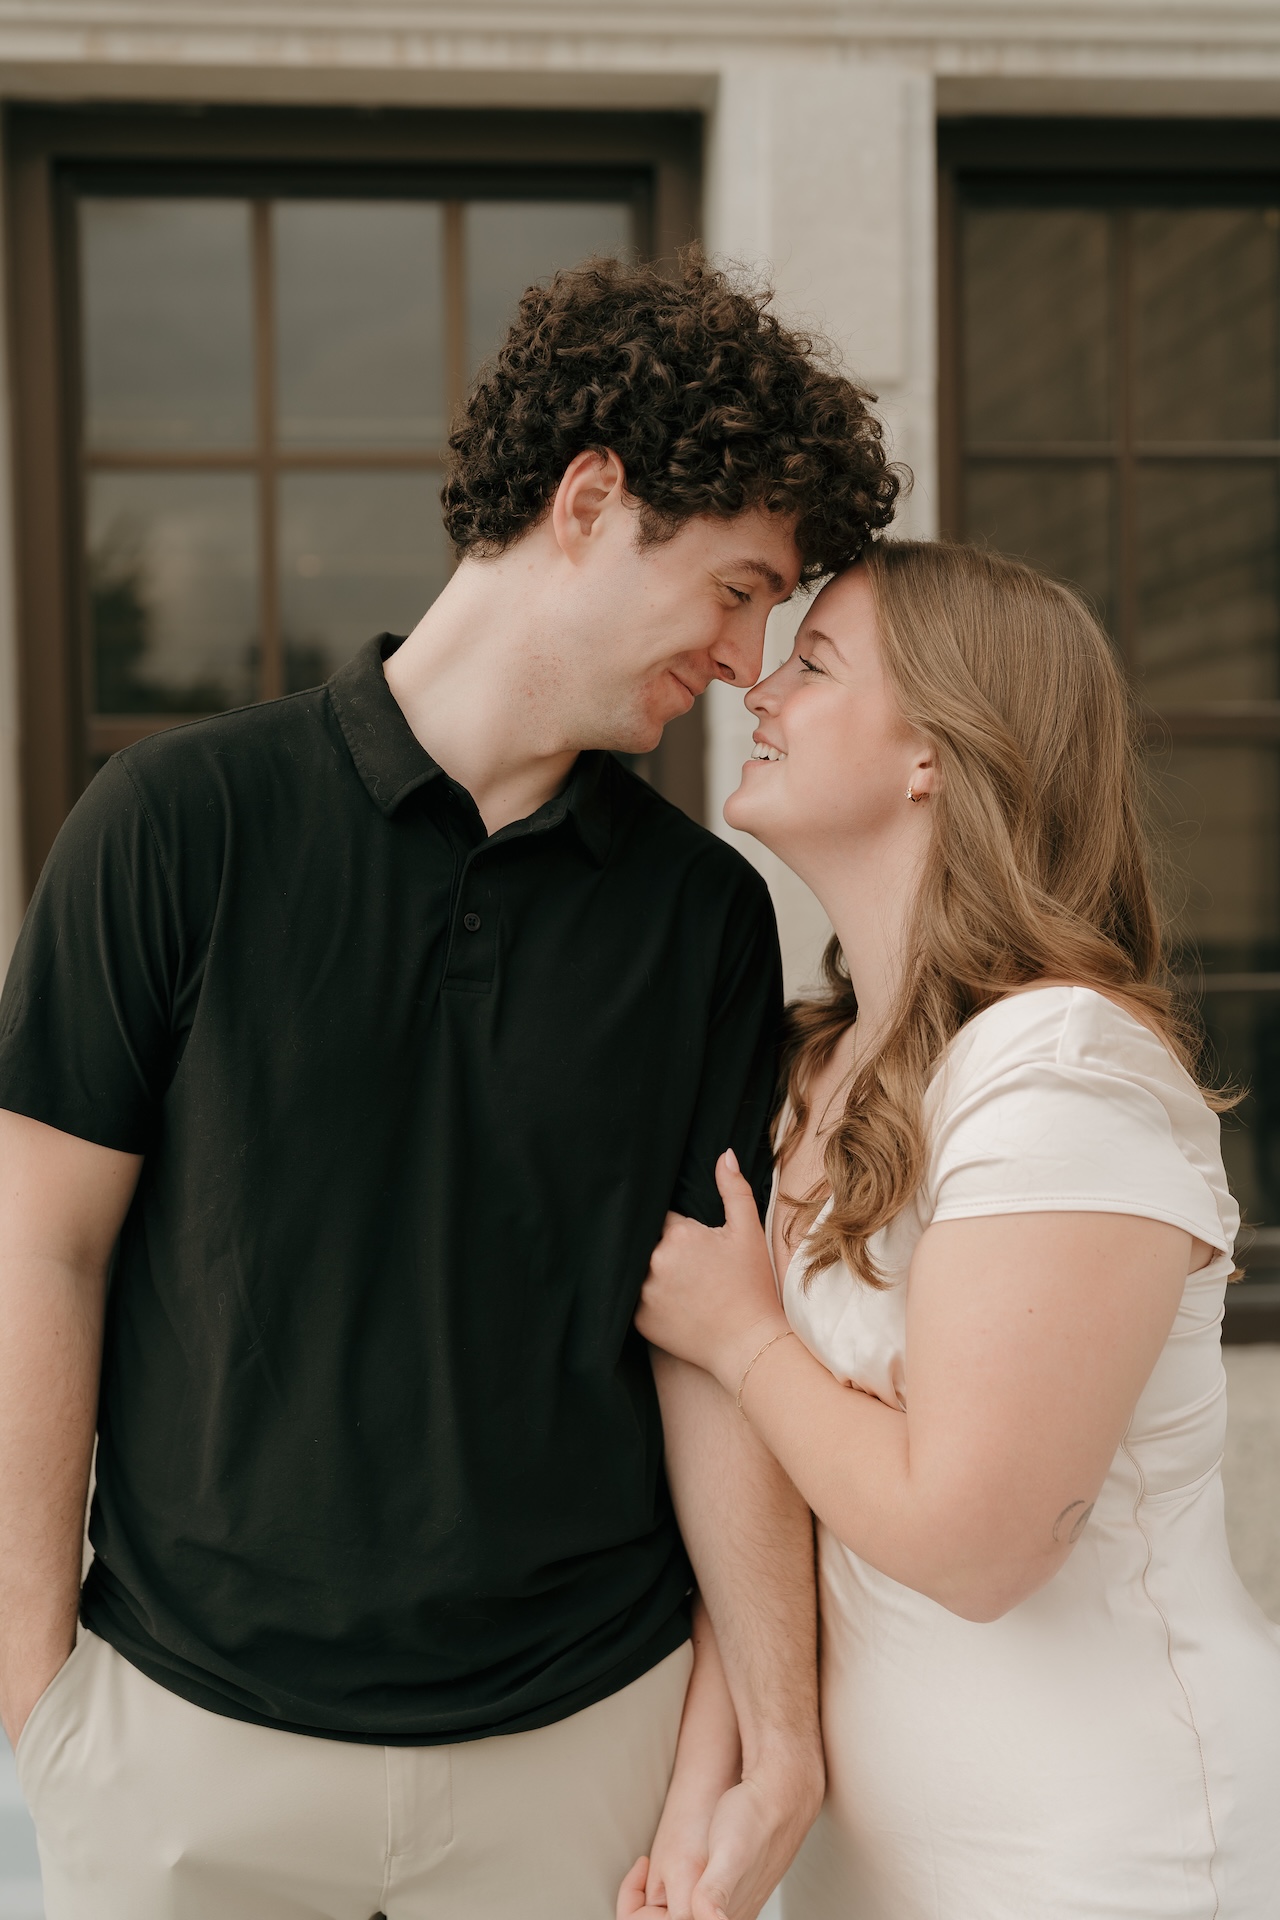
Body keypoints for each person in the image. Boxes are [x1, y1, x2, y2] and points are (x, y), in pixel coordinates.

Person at [0, 253, 900, 1920]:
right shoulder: (174, 826)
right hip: (190, 1749)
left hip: (579, 1766)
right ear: (588, 497)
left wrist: (777, 1725)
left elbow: (702, 1334)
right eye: (734, 586)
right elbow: (38, 1248)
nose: (745, 656)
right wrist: (33, 1687)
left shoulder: (702, 916)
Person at [636, 539, 1280, 1919]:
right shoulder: (819, 1073)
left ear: (937, 751)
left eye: (812, 662)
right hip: (874, 1866)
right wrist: (717, 1785)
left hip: (1104, 1850)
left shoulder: (1061, 1066)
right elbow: (782, 1517)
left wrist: (746, 1339)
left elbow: (979, 1537)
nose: (758, 687)